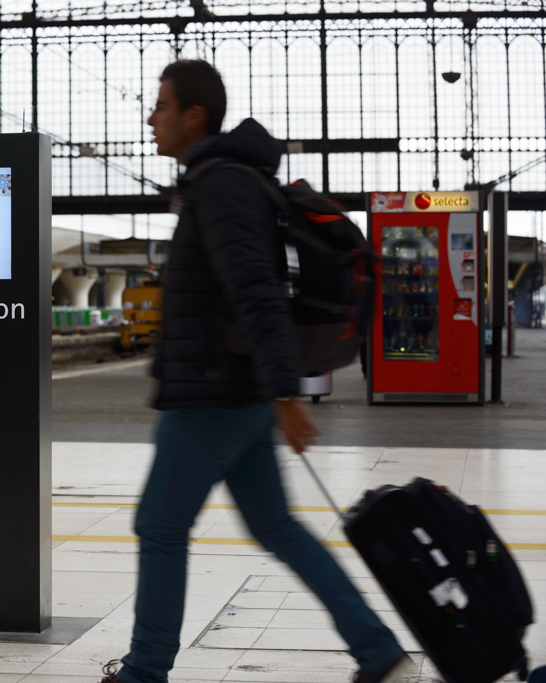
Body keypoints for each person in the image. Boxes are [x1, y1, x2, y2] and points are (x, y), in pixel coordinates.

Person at [99, 60, 411, 683]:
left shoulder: (221, 185)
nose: (150, 118)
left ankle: (145, 671)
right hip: (234, 392)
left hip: (212, 394)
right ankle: (378, 652)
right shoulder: (224, 181)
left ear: (194, 115)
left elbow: (257, 291)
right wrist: (274, 391)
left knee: (159, 525)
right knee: (276, 526)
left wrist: (285, 393)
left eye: (160, 106)